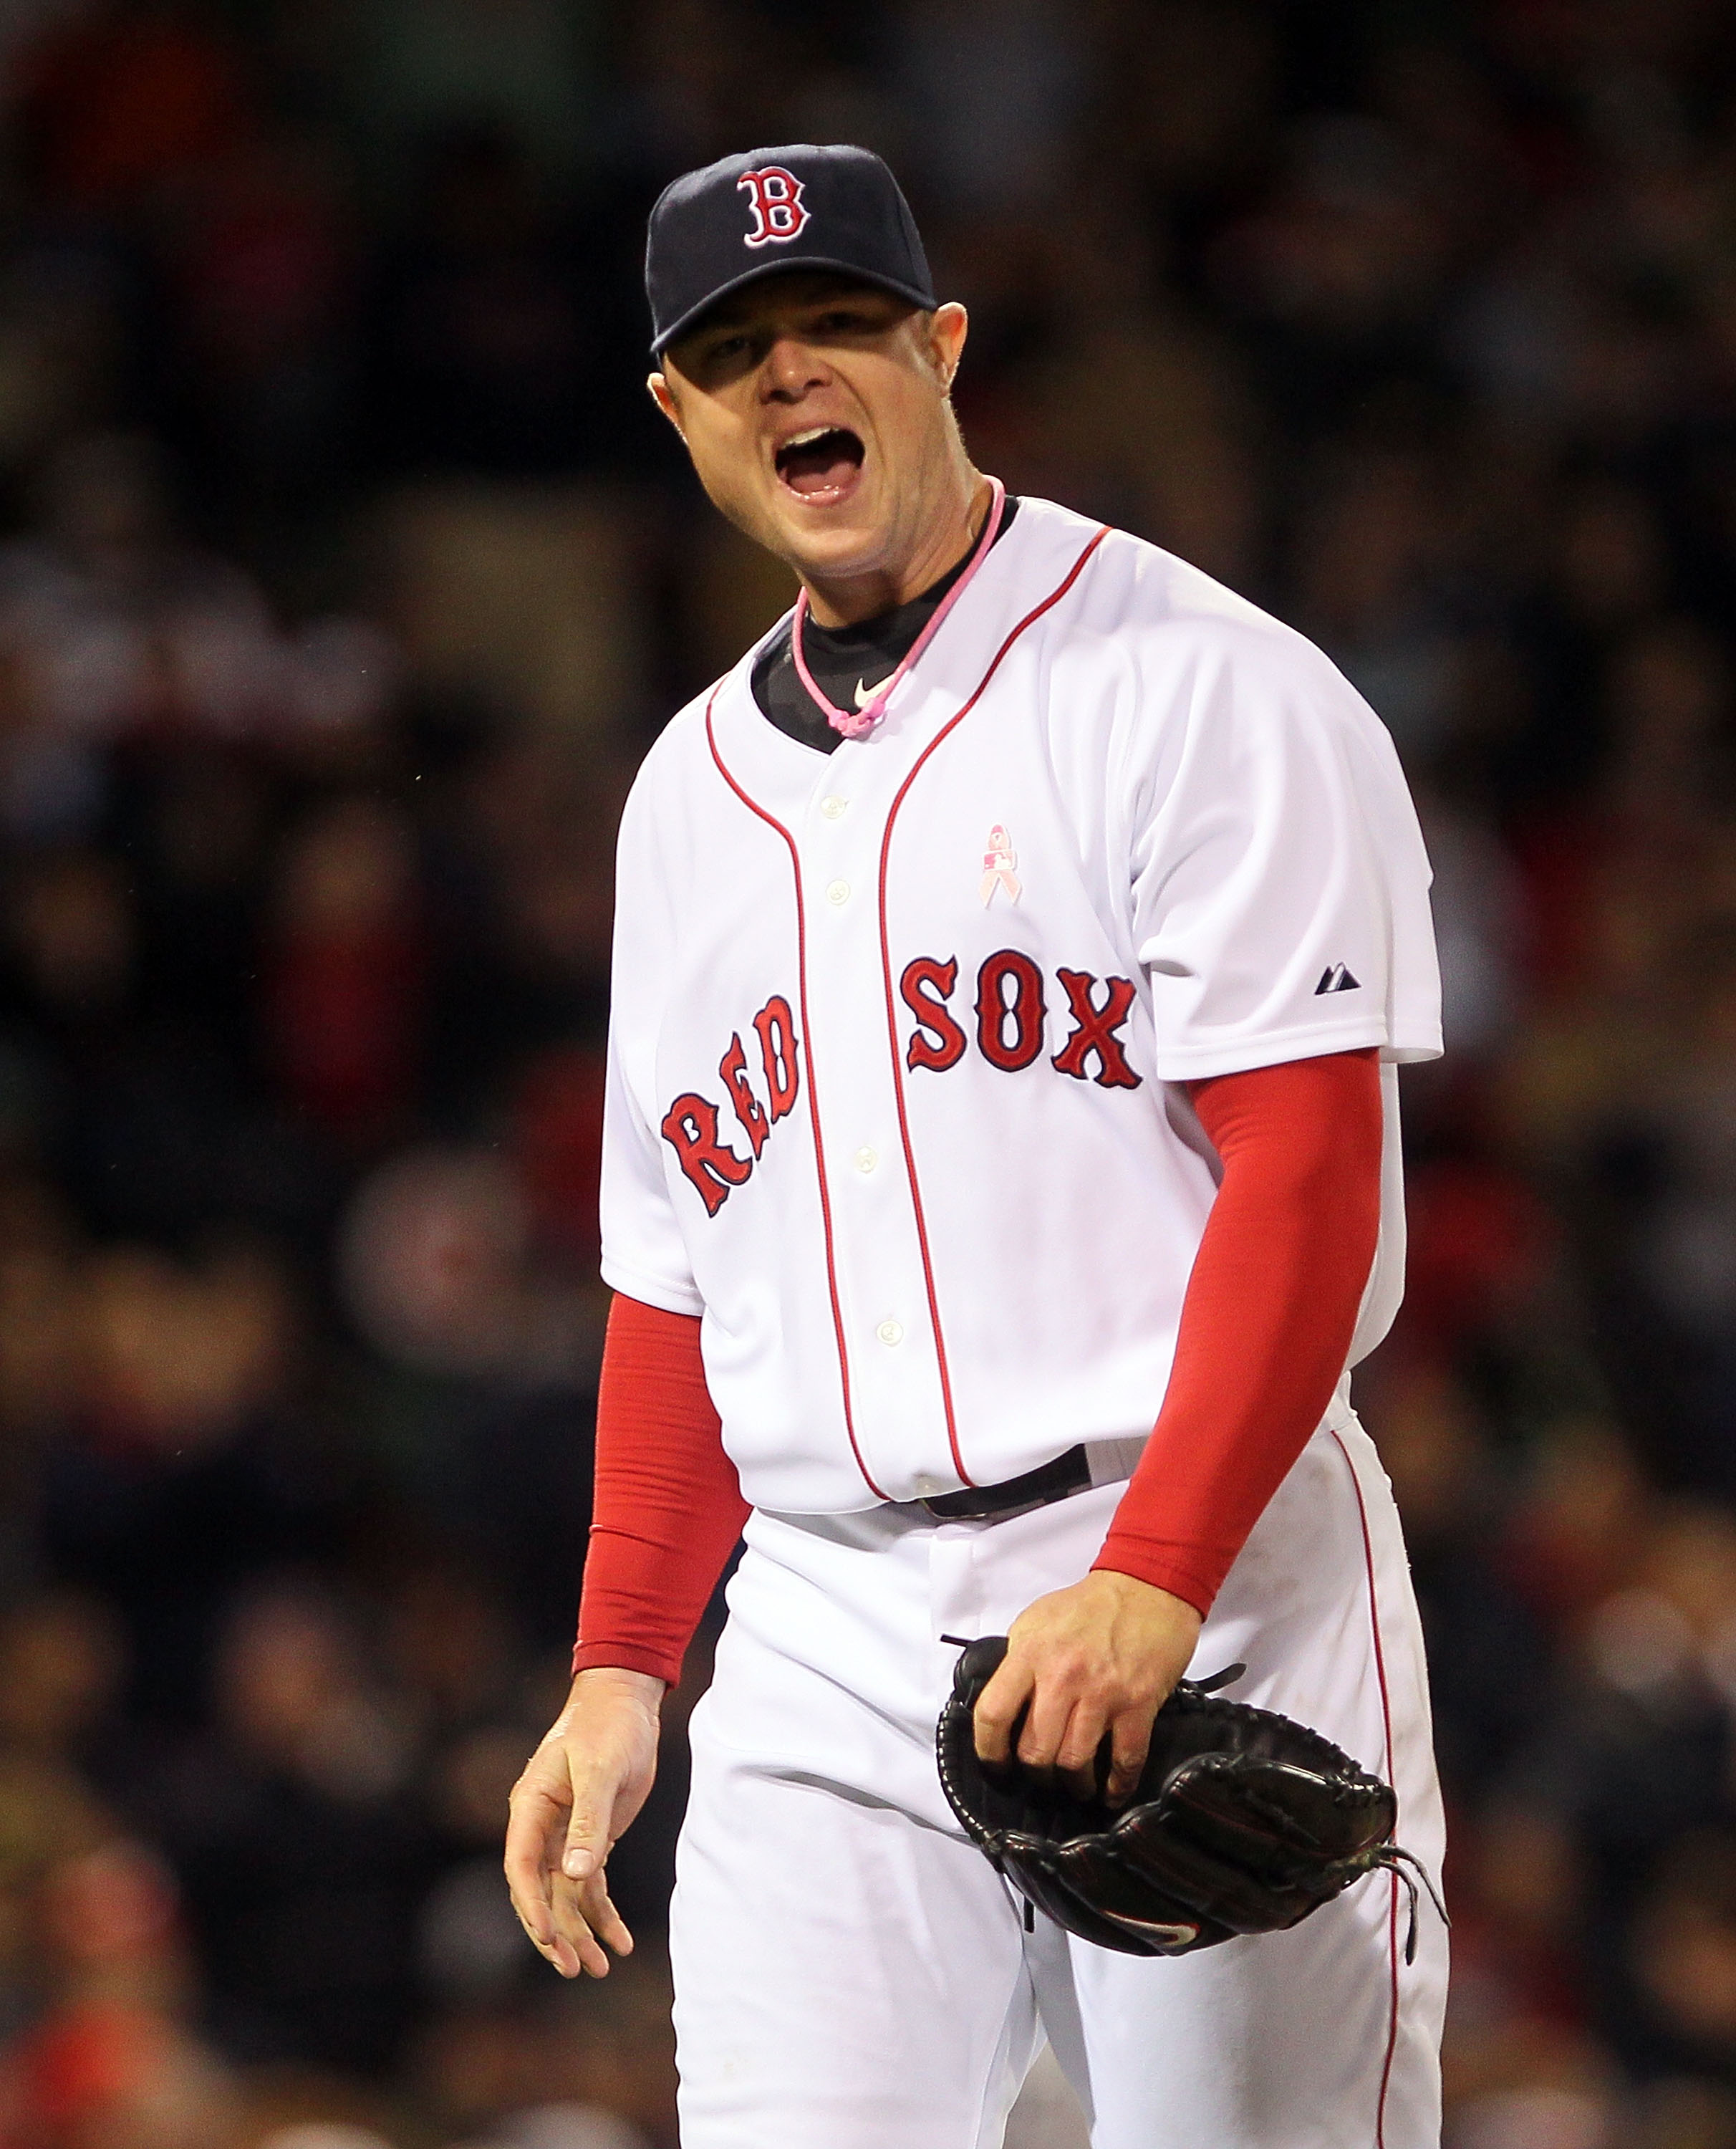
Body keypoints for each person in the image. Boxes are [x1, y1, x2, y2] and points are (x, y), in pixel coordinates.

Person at [505, 143, 1447, 2148]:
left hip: (1198, 1570)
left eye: (837, 325)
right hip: (823, 1629)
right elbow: (681, 1266)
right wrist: (618, 1666)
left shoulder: (1205, 690)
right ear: (675, 414)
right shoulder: (684, 792)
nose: (789, 380)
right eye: (732, 351)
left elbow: (1312, 1182)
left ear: (940, 348)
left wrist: (1160, 1573)